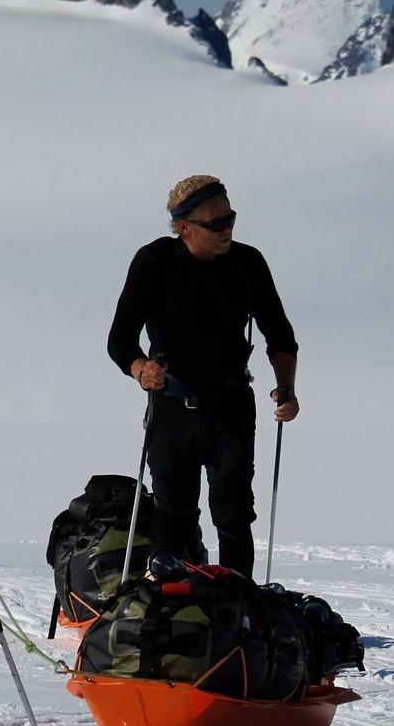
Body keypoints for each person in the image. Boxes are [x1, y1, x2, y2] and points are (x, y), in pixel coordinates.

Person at [106, 174, 299, 577]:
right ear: (184, 227)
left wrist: (286, 389)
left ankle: (239, 604)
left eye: (230, 219)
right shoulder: (155, 262)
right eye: (216, 223)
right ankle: (173, 610)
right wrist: (141, 370)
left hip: (230, 404)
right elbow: (120, 339)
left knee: (233, 514)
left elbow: (279, 334)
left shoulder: (248, 263)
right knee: (173, 511)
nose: (226, 229)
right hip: (172, 406)